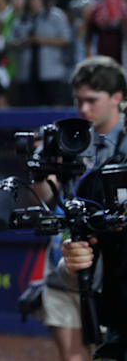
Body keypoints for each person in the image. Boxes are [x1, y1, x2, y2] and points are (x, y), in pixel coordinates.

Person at [38, 55, 127, 361]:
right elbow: (38, 199)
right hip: (68, 261)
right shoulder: (65, 140)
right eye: (79, 100)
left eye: (92, 100)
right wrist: (44, 168)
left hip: (115, 273)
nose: (83, 109)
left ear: (117, 98)